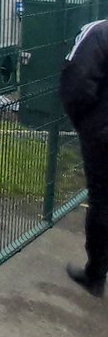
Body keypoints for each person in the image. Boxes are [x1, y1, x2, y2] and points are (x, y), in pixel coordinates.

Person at [59, 18, 108, 297]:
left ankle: (96, 274)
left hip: (102, 136)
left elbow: (76, 83)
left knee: (102, 201)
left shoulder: (99, 32)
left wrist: (88, 125)